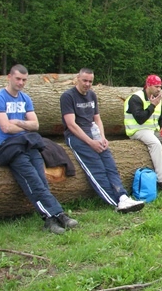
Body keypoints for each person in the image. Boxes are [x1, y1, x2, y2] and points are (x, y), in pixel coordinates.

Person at [0, 64, 78, 234]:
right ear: (9, 77)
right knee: (32, 181)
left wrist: (17, 123)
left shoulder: (25, 98)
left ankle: (55, 217)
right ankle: (53, 217)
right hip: (11, 147)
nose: (21, 82)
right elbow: (5, 128)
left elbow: (35, 125)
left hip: (29, 144)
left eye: (24, 80)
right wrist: (25, 126)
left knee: (42, 181)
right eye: (18, 79)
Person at [61, 68, 145, 213]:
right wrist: (90, 142)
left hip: (93, 133)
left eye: (90, 82)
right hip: (76, 136)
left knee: (110, 165)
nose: (87, 84)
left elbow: (97, 119)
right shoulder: (68, 96)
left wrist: (102, 137)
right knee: (97, 169)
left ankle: (123, 197)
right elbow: (71, 125)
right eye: (85, 81)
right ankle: (115, 203)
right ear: (77, 79)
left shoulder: (92, 95)